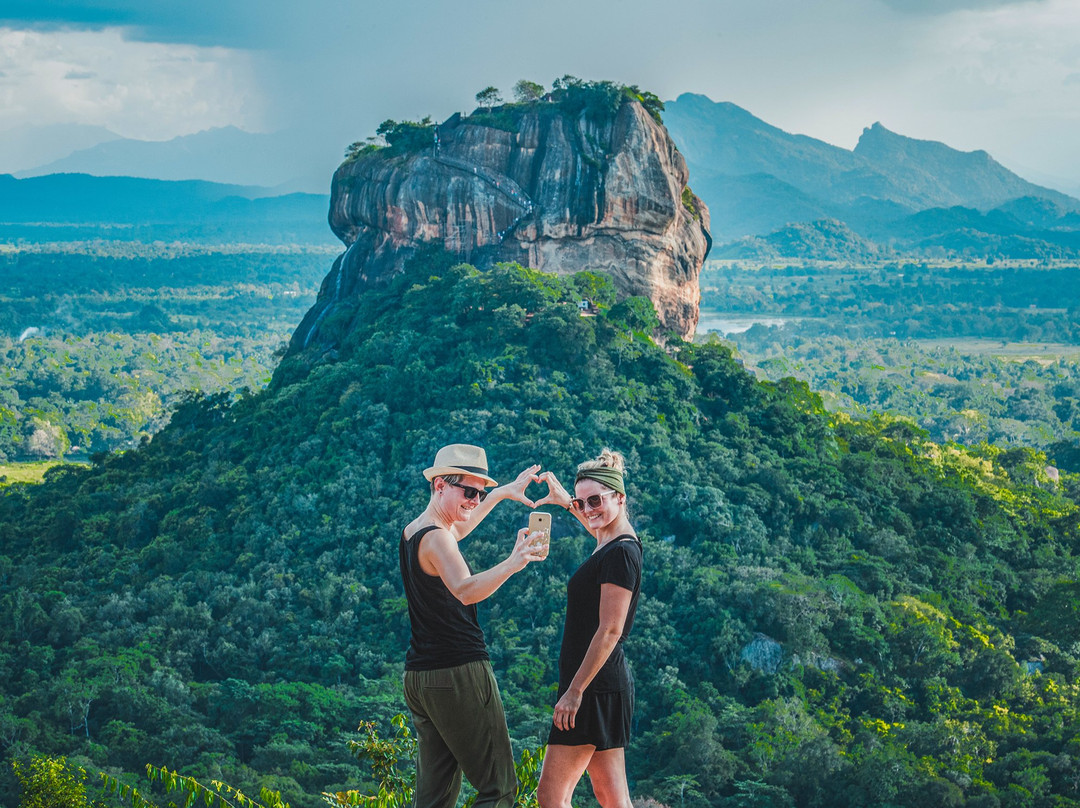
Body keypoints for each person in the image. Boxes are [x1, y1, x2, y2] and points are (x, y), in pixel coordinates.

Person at [400, 443, 547, 808]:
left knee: (434, 798)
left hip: (420, 677)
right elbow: (466, 590)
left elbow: (457, 531)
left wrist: (498, 494)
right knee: (499, 789)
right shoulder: (437, 539)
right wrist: (515, 561)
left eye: (478, 492)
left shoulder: (415, 530)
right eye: (469, 492)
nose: (474, 499)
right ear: (440, 486)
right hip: (457, 671)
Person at [533, 449, 643, 808]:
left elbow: (610, 630)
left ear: (620, 497)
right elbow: (596, 526)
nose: (588, 508)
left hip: (591, 689)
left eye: (595, 499)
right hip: (605, 685)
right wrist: (565, 500)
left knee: (551, 797)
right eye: (583, 502)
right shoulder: (611, 541)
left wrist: (574, 692)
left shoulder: (621, 553)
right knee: (612, 798)